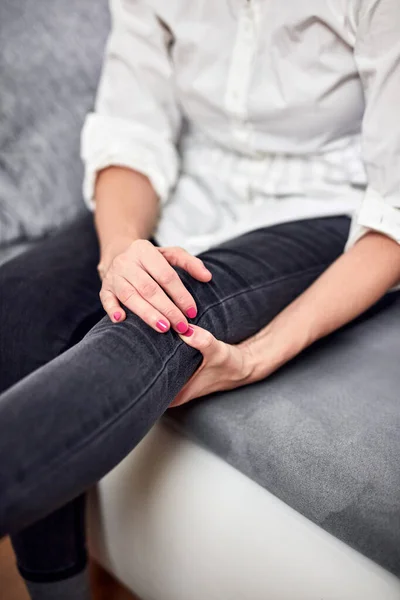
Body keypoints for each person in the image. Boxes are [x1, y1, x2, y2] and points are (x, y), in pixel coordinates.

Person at [1, 1, 400, 598]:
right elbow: (132, 134)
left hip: (321, 204)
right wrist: (121, 255)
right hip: (190, 185)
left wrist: (260, 353)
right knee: (16, 310)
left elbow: (395, 213)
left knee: (160, 321)